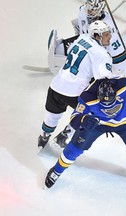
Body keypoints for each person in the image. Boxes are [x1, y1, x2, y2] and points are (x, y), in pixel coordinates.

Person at [44, 77, 126, 195]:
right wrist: (83, 119)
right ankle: (56, 171)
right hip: (97, 124)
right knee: (74, 149)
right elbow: (74, 117)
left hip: (125, 123)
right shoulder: (87, 97)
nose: (107, 105)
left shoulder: (122, 86)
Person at [48, 0, 126, 105]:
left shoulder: (107, 25)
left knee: (108, 85)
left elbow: (118, 58)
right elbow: (80, 30)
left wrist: (115, 76)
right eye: (89, 8)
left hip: (102, 62)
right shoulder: (83, 11)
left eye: (93, 9)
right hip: (89, 58)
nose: (90, 11)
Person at [38, 20, 114, 151]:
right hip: (74, 93)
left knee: (52, 116)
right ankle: (65, 135)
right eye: (106, 34)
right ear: (97, 36)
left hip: (55, 86)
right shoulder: (102, 54)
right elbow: (104, 80)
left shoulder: (82, 37)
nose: (110, 37)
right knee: (92, 113)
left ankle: (43, 138)